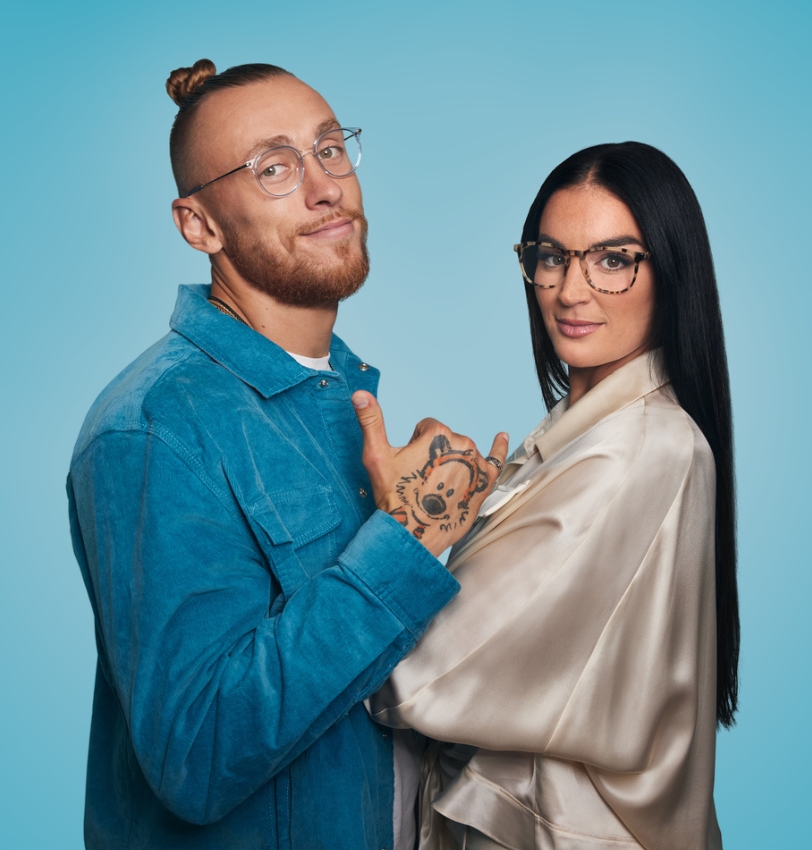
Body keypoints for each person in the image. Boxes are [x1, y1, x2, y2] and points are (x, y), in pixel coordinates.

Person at [66, 58, 508, 850]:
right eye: (274, 168)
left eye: (330, 148)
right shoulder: (154, 428)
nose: (324, 185)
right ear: (199, 226)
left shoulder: (339, 395)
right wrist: (407, 540)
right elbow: (195, 758)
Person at [370, 142, 740, 850]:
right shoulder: (576, 437)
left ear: (672, 272)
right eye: (550, 256)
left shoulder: (642, 449)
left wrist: (402, 528)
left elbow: (419, 676)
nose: (571, 291)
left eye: (613, 259)